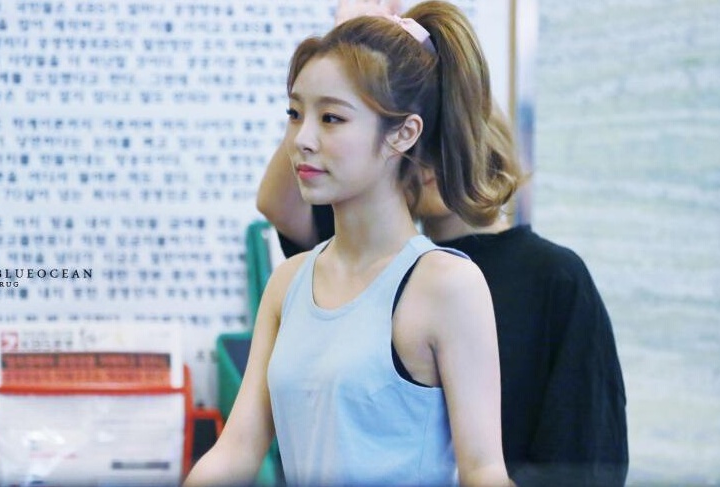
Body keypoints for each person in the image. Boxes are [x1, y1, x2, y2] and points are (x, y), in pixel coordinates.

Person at [256, 5, 629, 487]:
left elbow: (587, 455)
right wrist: (343, 65)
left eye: (428, 143)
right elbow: (279, 203)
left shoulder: (551, 277)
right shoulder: (368, 271)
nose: (417, 161)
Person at [185, 2, 518, 486]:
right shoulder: (288, 283)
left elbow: (483, 469)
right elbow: (237, 449)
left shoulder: (447, 284)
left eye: (331, 118)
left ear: (403, 133)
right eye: (295, 114)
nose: (302, 138)